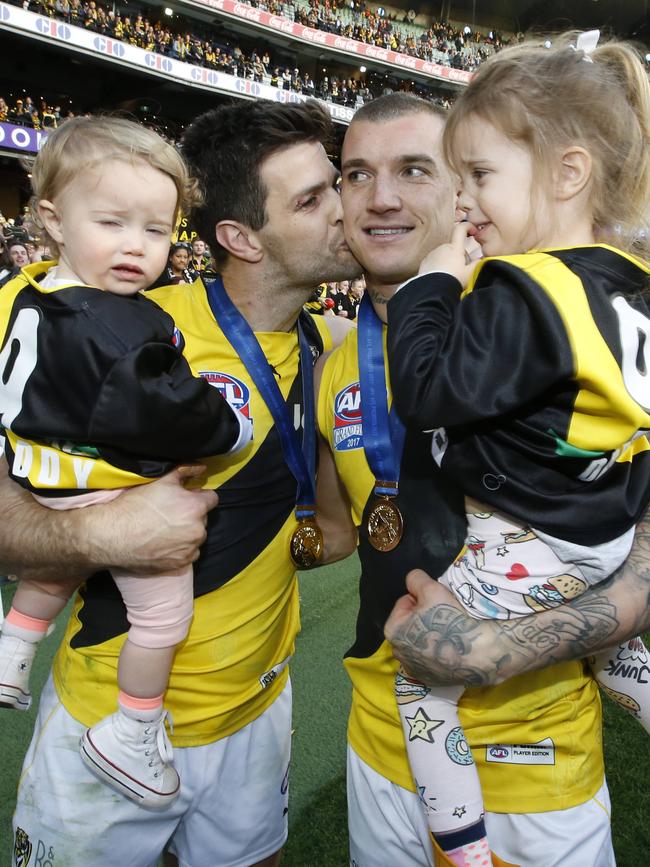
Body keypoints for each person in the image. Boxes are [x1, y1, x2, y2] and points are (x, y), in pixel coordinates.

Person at [11, 99, 359, 867]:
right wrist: (95, 534)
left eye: (336, 184)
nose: (344, 209)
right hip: (111, 714)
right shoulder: (129, 330)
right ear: (238, 238)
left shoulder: (340, 351)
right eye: (312, 198)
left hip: (255, 709)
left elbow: (335, 530)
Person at [316, 91, 628, 867]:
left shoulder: (544, 322)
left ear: (465, 187)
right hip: (380, 750)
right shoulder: (330, 366)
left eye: (414, 169)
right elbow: (332, 532)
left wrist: (497, 649)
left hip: (538, 767)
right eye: (357, 174)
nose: (381, 197)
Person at [385, 35, 650, 867]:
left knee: (421, 681)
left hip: (534, 533)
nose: (465, 202)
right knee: (607, 640)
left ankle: (460, 845)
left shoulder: (525, 284)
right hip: (604, 525)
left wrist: (428, 284)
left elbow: (427, 393)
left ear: (568, 175)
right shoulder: (626, 279)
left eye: (482, 177)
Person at [0, 116, 251, 808]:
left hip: (38, 478)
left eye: (155, 230)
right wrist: (230, 429)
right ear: (51, 218)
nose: (137, 248)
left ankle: (13, 649)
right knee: (163, 616)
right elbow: (177, 413)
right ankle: (132, 728)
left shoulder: (22, 290)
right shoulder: (120, 322)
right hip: (102, 486)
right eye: (112, 223)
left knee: (53, 564)